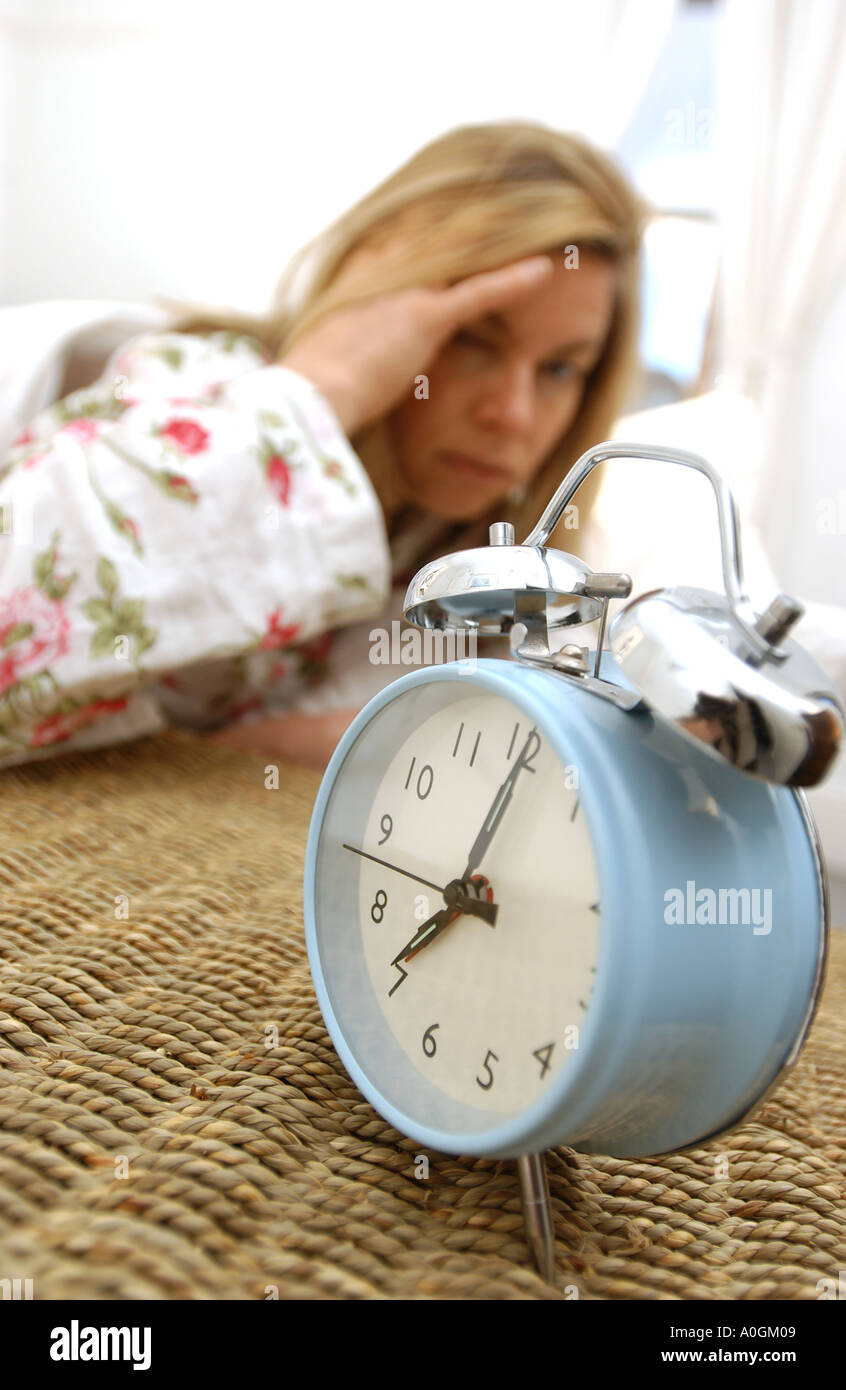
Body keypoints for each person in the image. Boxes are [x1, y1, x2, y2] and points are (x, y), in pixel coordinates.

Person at [0, 120, 648, 771]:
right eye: (473, 340)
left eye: (560, 369)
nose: (512, 414)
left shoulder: (496, 568)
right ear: (382, 301)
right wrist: (327, 384)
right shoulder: (191, 390)